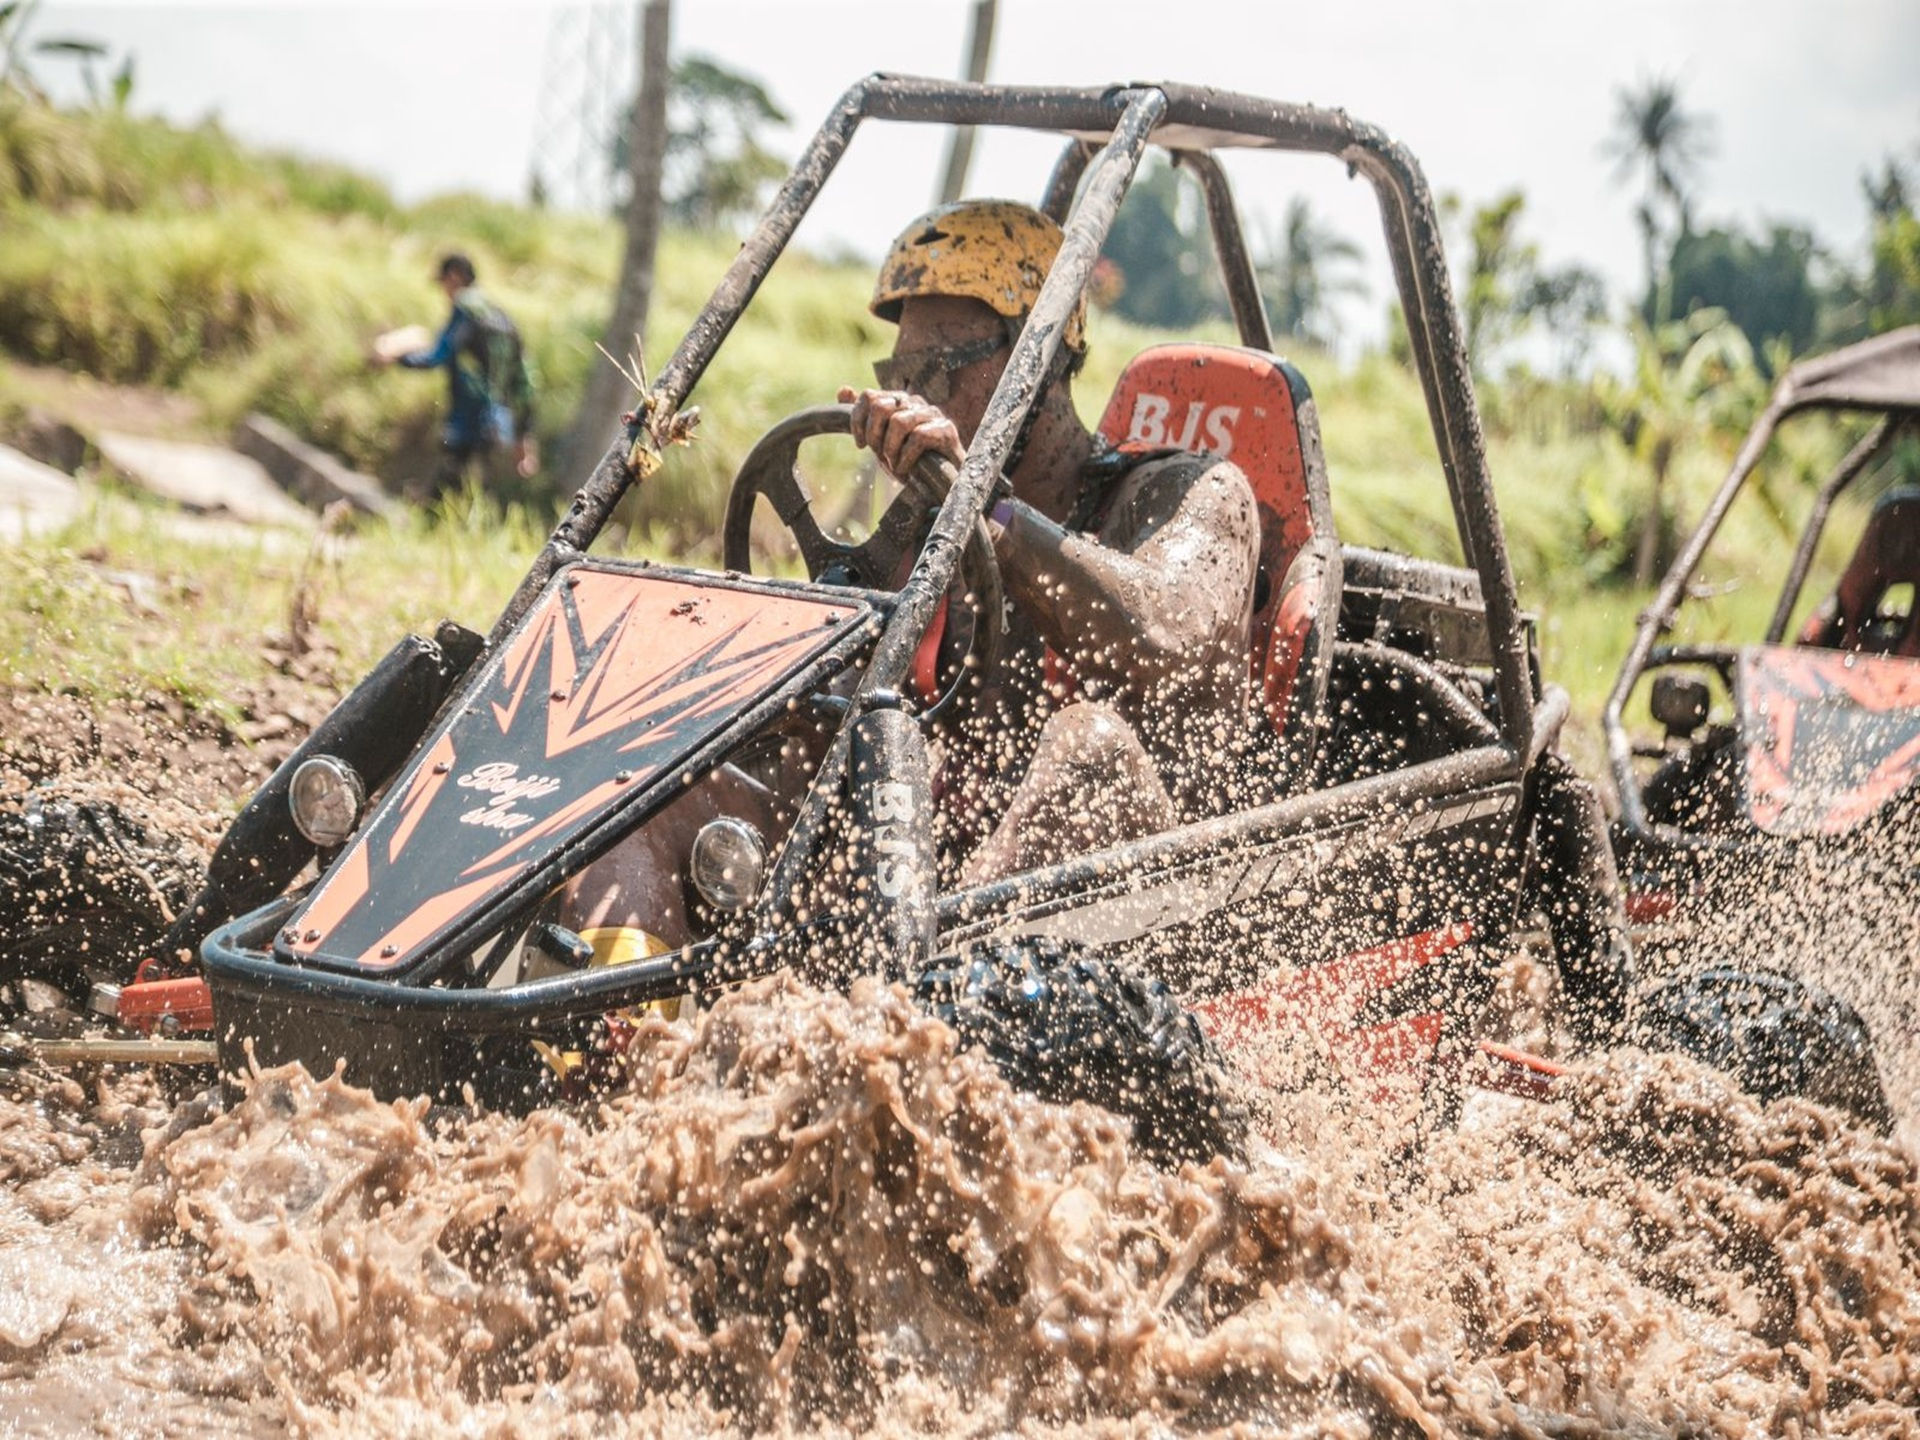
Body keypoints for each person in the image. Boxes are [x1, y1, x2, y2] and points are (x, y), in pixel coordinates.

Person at [837, 200, 1262, 883]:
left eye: (940, 368)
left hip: (1171, 894)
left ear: (1038, 364)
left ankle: (926, 955)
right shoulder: (939, 526)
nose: (916, 399)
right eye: (903, 376)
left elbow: (1165, 636)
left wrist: (990, 511)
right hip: (969, 887)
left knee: (1089, 746)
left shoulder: (1195, 492)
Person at [376, 253, 538, 499]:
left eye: (443, 284)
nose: (445, 293)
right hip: (497, 423)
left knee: (447, 485)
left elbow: (438, 356)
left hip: (467, 420)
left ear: (454, 277)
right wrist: (523, 435)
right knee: (481, 491)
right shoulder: (502, 318)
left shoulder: (466, 308)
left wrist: (397, 357)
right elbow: (524, 382)